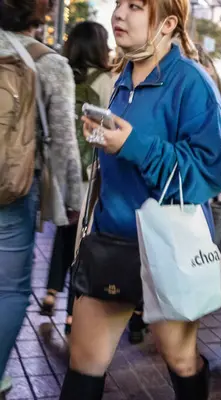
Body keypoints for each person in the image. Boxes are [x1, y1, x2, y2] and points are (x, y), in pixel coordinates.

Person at [58, 0, 221, 398]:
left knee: (182, 362)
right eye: (119, 4)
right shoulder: (122, 77)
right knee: (83, 366)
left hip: (169, 250)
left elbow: (205, 175)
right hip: (110, 242)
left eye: (135, 6)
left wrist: (131, 145)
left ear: (167, 23)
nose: (119, 14)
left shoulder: (192, 83)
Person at [0, 0, 82, 395]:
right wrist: (74, 199)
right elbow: (66, 144)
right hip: (13, 189)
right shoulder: (48, 63)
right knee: (11, 289)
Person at [40, 20, 114, 337]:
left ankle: (50, 291)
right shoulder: (106, 82)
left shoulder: (61, 74)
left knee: (63, 231)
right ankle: (72, 312)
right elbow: (107, 133)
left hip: (59, 169)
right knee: (82, 242)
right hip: (87, 174)